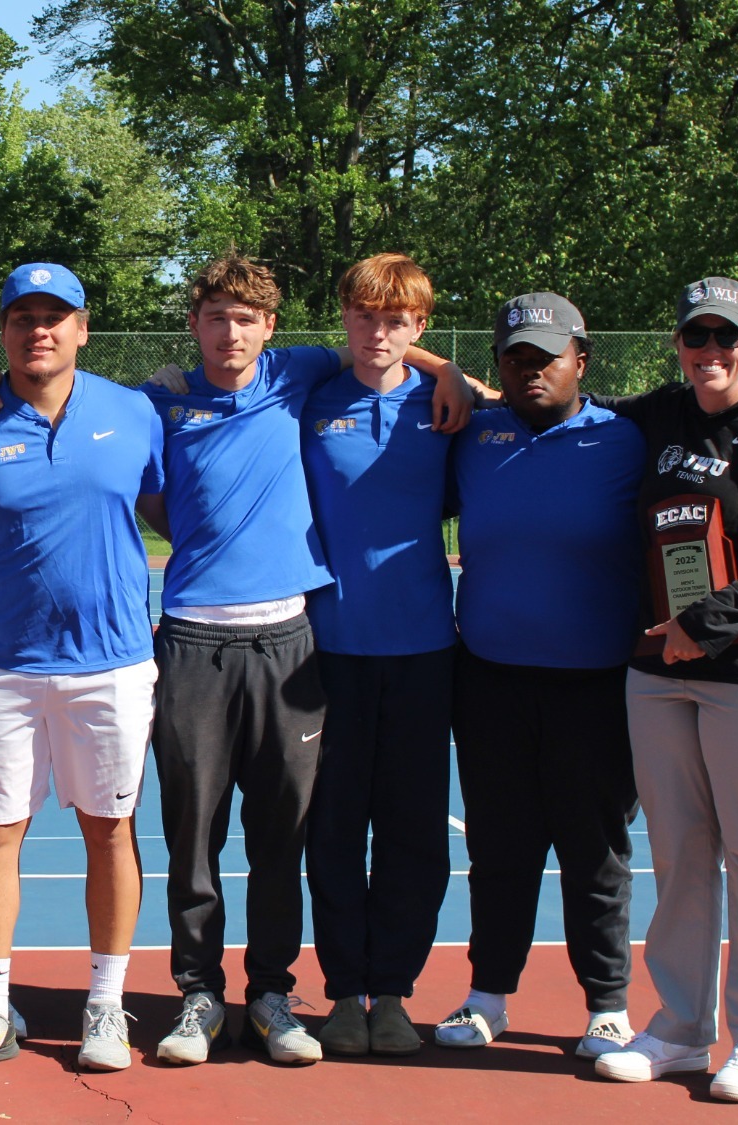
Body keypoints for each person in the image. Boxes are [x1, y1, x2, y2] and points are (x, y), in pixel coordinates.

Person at [121, 255, 470, 1067]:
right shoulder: (164, 397)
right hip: (202, 638)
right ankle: (202, 992)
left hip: (301, 641)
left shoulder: (304, 375)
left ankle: (279, 991)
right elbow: (98, 431)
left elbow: (390, 347)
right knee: (197, 834)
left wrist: (447, 363)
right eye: (215, 316)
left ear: (272, 327)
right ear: (194, 323)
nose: (230, 330)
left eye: (246, 317)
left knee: (286, 834)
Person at [592, 279, 738, 1103]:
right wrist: (441, 367)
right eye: (697, 338)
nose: (711, 353)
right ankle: (682, 1028)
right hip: (661, 674)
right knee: (681, 853)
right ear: (679, 344)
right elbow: (558, 399)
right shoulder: (658, 415)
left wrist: (711, 619)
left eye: (726, 338)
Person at [0, 263, 165, 1075]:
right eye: (23, 316)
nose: (40, 330)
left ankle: (106, 1006)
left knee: (110, 830)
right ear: (2, 330)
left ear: (83, 327)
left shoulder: (134, 413)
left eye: (55, 316)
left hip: (113, 665)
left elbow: (157, 509)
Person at [436, 292, 646, 1060]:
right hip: (489, 680)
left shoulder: (629, 437)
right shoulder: (475, 433)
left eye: (546, 357)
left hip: (595, 685)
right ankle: (488, 994)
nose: (531, 370)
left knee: (595, 852)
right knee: (499, 848)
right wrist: (446, 369)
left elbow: (718, 416)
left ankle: (608, 1005)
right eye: (515, 357)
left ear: (580, 361)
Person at [299, 254, 458, 1057]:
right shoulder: (310, 399)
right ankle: (341, 993)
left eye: (397, 320)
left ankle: (392, 990)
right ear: (346, 318)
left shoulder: (449, 406)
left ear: (420, 326)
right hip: (328, 652)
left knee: (413, 831)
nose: (378, 332)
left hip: (426, 650)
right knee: (332, 829)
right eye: (365, 316)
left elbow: (553, 408)